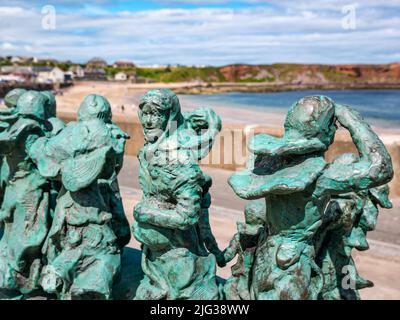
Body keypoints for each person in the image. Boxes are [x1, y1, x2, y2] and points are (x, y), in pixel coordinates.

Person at [132, 89, 223, 300]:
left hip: (181, 262)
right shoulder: (149, 153)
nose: (149, 120)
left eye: (157, 114)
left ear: (170, 116)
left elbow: (188, 216)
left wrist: (143, 214)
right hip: (154, 261)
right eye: (145, 113)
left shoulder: (181, 164)